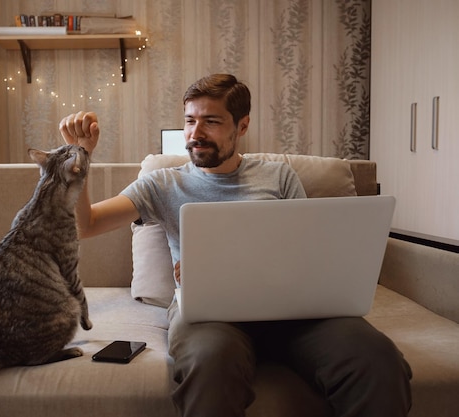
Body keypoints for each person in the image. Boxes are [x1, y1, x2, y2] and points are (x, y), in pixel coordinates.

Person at [59, 74, 412, 417]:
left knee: (376, 357)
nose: (195, 134)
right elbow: (84, 225)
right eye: (189, 121)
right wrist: (79, 160)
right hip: (208, 314)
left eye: (211, 122)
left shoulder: (279, 177)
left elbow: (305, 249)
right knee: (210, 361)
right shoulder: (163, 184)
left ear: (242, 126)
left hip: (293, 312)